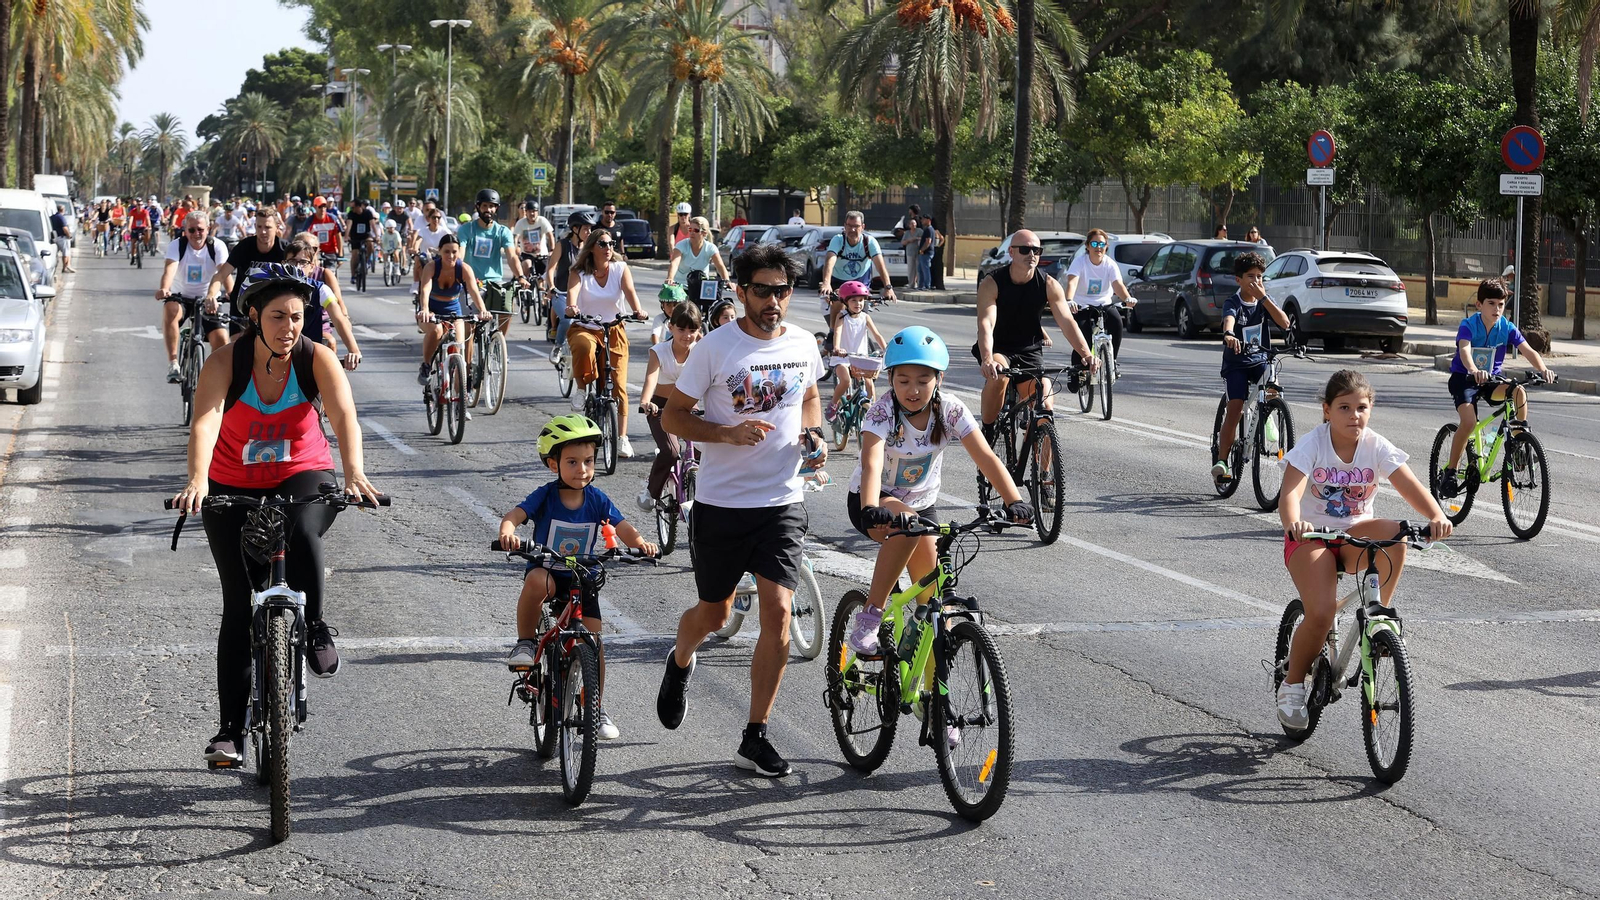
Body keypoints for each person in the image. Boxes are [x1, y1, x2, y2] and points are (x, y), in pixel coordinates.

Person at [170, 264, 382, 766]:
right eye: (278, 316)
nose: (289, 326)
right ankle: (230, 732)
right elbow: (205, 421)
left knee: (304, 529)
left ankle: (317, 628)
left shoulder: (317, 358)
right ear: (253, 316)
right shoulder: (227, 361)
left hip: (301, 474)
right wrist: (198, 480)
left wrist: (353, 472)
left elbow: (344, 416)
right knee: (238, 607)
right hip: (230, 485)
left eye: (296, 316)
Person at [656, 243, 827, 778]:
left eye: (782, 290)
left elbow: (810, 398)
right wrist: (726, 432)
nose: (773, 300)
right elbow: (674, 419)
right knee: (715, 615)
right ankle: (680, 659)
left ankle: (755, 734)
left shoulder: (802, 343)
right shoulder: (714, 348)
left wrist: (815, 436)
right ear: (741, 291)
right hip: (721, 503)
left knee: (778, 615)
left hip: (781, 502)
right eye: (762, 290)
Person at [1276, 370, 1451, 729]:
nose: (1354, 415)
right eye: (1344, 407)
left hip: (1354, 535)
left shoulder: (1375, 445)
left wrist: (1436, 515)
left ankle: (1380, 615)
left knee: (1395, 533)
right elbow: (1290, 494)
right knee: (1322, 612)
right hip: (1311, 539)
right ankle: (1292, 684)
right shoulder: (1313, 444)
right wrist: (1295, 522)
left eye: (1361, 407)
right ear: (1327, 410)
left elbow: (1409, 485)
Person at [843, 327, 1031, 657]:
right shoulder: (881, 412)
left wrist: (1014, 500)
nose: (912, 389)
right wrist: (871, 506)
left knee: (933, 609)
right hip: (874, 500)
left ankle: (931, 701)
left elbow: (986, 456)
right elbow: (871, 464)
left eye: (922, 380)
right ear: (891, 379)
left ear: (938, 380)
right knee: (906, 525)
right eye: (903, 380)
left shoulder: (951, 410)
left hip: (922, 504)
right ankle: (869, 620)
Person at [498, 414, 659, 741]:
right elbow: (515, 515)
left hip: (581, 577)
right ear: (552, 464)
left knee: (594, 643)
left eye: (588, 461)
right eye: (572, 461)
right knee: (535, 581)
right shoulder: (545, 496)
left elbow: (622, 525)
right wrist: (508, 532)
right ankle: (526, 642)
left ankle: (594, 706)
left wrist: (640, 543)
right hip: (549, 571)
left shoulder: (597, 498)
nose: (582, 469)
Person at [973, 229, 1098, 439]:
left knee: (1045, 408)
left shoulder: (1049, 284)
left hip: (1029, 350)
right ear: (1011, 252)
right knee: (999, 375)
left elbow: (1067, 322)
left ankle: (1043, 470)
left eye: (1036, 250)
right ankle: (988, 429)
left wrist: (1086, 355)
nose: (1032, 254)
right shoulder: (992, 282)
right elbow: (986, 322)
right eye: (1025, 249)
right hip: (998, 348)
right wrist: (987, 359)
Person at [1438, 278, 1556, 497]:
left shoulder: (1506, 327)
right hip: (1464, 378)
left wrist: (1543, 369)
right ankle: (1451, 473)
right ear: (1479, 305)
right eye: (1491, 303)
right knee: (1469, 422)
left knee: (1518, 391)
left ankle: (1520, 445)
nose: (1497, 309)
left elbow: (1528, 351)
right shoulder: (1469, 325)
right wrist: (1473, 369)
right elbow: (1464, 351)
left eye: (1501, 304)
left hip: (1492, 379)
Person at [564, 227, 648, 457]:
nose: (608, 248)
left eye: (611, 244)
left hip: (613, 330)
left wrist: (637, 310)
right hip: (586, 327)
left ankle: (621, 438)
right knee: (583, 347)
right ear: (592, 247)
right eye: (602, 244)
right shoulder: (579, 271)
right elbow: (573, 293)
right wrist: (572, 307)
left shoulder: (620, 268)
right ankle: (581, 389)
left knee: (618, 385)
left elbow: (629, 291)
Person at [1212, 251, 1292, 483]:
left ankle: (1268, 418)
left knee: (1273, 386)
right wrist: (1228, 334)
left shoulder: (1264, 300)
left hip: (1259, 361)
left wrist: (1264, 298)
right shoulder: (1233, 302)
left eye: (1260, 276)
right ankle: (1223, 461)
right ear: (1239, 280)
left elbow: (1284, 323)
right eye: (1250, 276)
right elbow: (1229, 319)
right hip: (1237, 364)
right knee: (1235, 408)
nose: (1256, 281)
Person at [637, 302, 703, 513]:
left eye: (692, 330)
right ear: (670, 327)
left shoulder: (701, 350)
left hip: (689, 408)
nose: (687, 335)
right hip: (660, 407)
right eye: (681, 329)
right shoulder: (659, 351)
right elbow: (650, 378)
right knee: (671, 451)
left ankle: (709, 498)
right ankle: (652, 492)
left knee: (707, 450)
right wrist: (646, 402)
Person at [159, 213, 231, 377]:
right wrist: (164, 288)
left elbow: (224, 271)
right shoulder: (177, 245)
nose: (196, 234)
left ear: (208, 229)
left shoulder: (217, 246)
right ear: (185, 230)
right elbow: (170, 269)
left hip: (209, 300)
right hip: (181, 298)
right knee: (170, 309)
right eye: (191, 230)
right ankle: (174, 364)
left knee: (221, 338)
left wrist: (232, 293)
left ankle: (214, 376)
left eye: (200, 229)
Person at [415, 233, 490, 388]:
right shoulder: (432, 267)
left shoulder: (463, 268)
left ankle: (460, 402)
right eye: (447, 251)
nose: (451, 255)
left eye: (454, 252)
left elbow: (474, 291)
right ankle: (427, 365)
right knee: (436, 331)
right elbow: (425, 289)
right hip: (431, 311)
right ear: (440, 251)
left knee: (459, 350)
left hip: (454, 312)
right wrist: (425, 310)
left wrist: (483, 310)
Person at [204, 208, 292, 339]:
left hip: (272, 306)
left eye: (267, 227)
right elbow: (221, 275)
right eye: (259, 226)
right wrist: (211, 295)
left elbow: (297, 279)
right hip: (242, 306)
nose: (263, 231)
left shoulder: (285, 249)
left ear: (277, 227)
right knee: (238, 347)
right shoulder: (243, 247)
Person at [1063, 228, 1137, 375]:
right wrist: (1069, 300)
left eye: (1101, 244)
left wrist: (1127, 298)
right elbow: (1072, 282)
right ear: (1088, 246)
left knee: (1117, 323)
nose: (1098, 248)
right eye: (1095, 244)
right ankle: (1077, 370)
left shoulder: (1110, 264)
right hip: (1082, 305)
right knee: (1083, 333)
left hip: (1104, 304)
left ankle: (1112, 362)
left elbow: (1118, 285)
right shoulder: (1080, 262)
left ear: (1106, 246)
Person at [455, 188, 528, 336]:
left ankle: (498, 345)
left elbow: (512, 256)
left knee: (507, 309)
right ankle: (468, 360)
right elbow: (460, 253)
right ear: (478, 207)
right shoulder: (466, 229)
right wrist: (455, 270)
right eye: (484, 206)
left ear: (496, 209)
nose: (488, 209)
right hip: (471, 283)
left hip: (495, 283)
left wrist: (520, 276)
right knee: (469, 326)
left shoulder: (502, 231)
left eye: (491, 206)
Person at [286, 232, 361, 367]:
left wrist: (354, 351)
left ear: (312, 267)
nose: (297, 267)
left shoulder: (321, 289)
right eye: (292, 261)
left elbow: (338, 318)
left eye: (303, 262)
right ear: (283, 264)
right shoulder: (271, 288)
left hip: (309, 353)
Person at [819, 211, 898, 327]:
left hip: (860, 284)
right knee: (837, 300)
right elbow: (830, 261)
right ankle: (833, 334)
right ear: (845, 226)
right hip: (838, 282)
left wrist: (888, 287)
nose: (852, 230)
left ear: (863, 227)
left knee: (862, 318)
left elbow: (880, 265)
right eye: (849, 226)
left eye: (856, 226)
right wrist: (826, 283)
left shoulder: (869, 242)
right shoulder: (838, 240)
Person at [826, 280, 887, 419]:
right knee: (846, 381)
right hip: (842, 357)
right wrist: (837, 348)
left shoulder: (865, 317)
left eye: (861, 300)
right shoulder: (841, 316)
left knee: (869, 384)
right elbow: (838, 332)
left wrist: (886, 350)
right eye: (854, 300)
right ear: (846, 302)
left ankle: (873, 411)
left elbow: (877, 335)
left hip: (860, 358)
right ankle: (834, 404)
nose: (858, 303)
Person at [549, 209, 598, 361]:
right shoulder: (562, 245)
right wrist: (551, 287)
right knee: (567, 318)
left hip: (584, 294)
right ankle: (557, 347)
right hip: (561, 292)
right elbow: (551, 268)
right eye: (586, 229)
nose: (589, 232)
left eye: (590, 229)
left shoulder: (590, 248)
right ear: (575, 229)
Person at [665, 214, 731, 314]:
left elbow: (720, 266)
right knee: (681, 313)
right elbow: (674, 263)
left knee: (709, 312)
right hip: (682, 286)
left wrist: (727, 280)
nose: (691, 233)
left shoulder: (710, 248)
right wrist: (670, 278)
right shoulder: (682, 245)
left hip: (701, 286)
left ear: (704, 233)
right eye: (690, 229)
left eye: (695, 230)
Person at [513, 201, 554, 290]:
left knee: (543, 274)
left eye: (534, 211)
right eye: (530, 211)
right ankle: (525, 284)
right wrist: (515, 248)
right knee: (527, 264)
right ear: (526, 212)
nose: (532, 213)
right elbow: (516, 237)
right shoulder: (521, 223)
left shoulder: (542, 220)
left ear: (537, 212)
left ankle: (542, 295)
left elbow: (550, 235)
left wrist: (552, 250)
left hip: (542, 254)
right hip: (527, 254)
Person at [344, 198, 379, 280]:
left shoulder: (367, 213)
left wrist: (377, 235)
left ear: (358, 207)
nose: (352, 209)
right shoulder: (351, 214)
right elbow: (349, 225)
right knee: (355, 255)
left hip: (365, 235)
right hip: (355, 236)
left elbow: (373, 225)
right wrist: (346, 236)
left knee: (370, 243)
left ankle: (367, 260)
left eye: (353, 207)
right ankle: (353, 275)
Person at [309, 198, 342, 269]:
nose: (322, 209)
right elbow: (305, 237)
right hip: (315, 252)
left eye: (324, 207)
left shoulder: (333, 219)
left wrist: (340, 255)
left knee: (330, 273)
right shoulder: (310, 221)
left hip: (330, 252)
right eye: (320, 207)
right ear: (315, 207)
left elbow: (338, 237)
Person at [900, 205, 922, 289]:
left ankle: (919, 284)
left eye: (914, 224)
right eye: (911, 224)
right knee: (911, 269)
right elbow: (903, 242)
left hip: (918, 251)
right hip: (910, 252)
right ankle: (911, 284)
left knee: (918, 269)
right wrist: (909, 240)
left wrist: (916, 238)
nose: (913, 225)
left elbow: (924, 238)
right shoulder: (907, 233)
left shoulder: (919, 230)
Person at [50, 203, 73, 274]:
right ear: (63, 210)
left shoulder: (52, 217)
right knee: (66, 252)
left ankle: (66, 266)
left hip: (55, 237)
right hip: (62, 237)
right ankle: (65, 267)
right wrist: (69, 235)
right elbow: (64, 228)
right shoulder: (61, 217)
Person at [916, 214, 937, 290]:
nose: (922, 221)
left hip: (926, 253)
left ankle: (926, 285)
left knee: (925, 269)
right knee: (920, 270)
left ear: (928, 220)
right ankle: (920, 286)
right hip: (924, 253)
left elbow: (928, 241)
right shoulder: (927, 229)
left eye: (924, 219)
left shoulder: (929, 229)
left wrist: (922, 249)